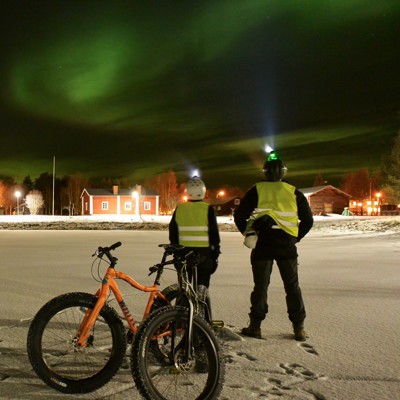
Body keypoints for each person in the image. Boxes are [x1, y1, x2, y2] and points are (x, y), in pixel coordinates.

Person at [234, 151, 313, 341]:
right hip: (286, 247)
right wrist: (295, 238)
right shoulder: (293, 192)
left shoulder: (257, 190)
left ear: (265, 172)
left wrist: (249, 232)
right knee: (292, 287)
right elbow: (308, 221)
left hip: (262, 246)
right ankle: (299, 329)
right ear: (284, 172)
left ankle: (255, 327)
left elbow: (239, 216)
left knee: (261, 287)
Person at [169, 176, 221, 294]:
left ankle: (182, 309)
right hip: (204, 256)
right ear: (203, 191)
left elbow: (173, 233)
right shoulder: (208, 209)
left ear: (187, 192)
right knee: (201, 291)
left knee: (184, 290)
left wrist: (176, 250)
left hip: (183, 255)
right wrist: (216, 253)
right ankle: (201, 310)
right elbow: (214, 235)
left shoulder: (180, 208)